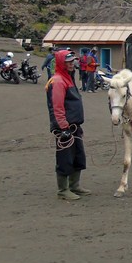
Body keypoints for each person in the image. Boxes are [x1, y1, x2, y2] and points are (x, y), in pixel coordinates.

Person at [46, 49, 90, 201]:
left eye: (72, 61)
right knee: (65, 157)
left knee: (78, 156)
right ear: (61, 63)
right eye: (69, 62)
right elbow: (57, 107)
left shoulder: (68, 78)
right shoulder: (58, 81)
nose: (72, 64)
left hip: (74, 126)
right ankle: (63, 190)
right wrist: (63, 127)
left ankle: (74, 185)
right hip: (65, 127)